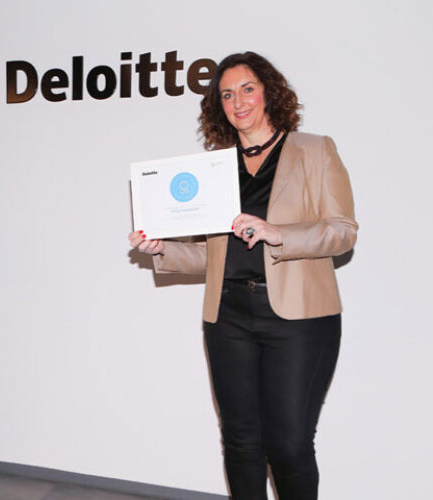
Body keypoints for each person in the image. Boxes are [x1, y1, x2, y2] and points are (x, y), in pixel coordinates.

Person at [129, 52, 357, 500]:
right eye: (227, 94)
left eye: (248, 89)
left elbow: (342, 232)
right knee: (240, 442)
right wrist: (162, 249)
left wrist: (278, 233)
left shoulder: (315, 150)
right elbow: (213, 256)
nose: (238, 101)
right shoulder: (215, 167)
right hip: (228, 316)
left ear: (269, 92)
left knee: (288, 446)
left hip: (299, 320)